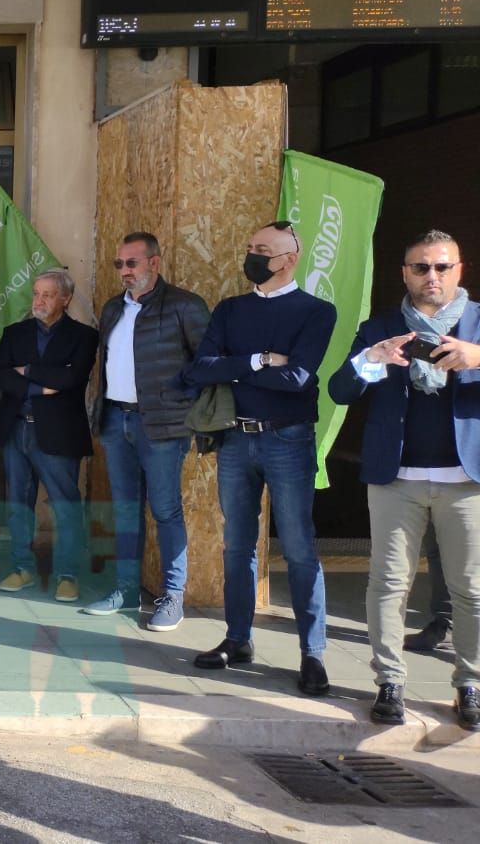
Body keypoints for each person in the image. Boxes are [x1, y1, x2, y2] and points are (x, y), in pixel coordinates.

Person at [327, 229, 480, 729]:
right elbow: (339, 389)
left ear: (459, 270)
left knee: (470, 590)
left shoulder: (478, 325)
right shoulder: (382, 326)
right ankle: (389, 680)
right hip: (396, 478)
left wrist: (478, 358)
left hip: (465, 478)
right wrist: (372, 359)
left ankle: (470, 683)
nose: (431, 276)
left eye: (441, 267)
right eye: (421, 267)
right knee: (388, 584)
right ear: (405, 273)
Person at [184, 220, 334, 697]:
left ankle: (313, 654)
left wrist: (235, 369)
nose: (251, 255)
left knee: (299, 548)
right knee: (237, 546)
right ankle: (238, 639)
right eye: (250, 246)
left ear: (289, 259)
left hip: (287, 440)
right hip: (235, 439)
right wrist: (260, 360)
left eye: (262, 249)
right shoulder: (230, 309)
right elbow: (198, 369)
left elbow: (299, 381)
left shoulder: (316, 311)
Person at [84, 232, 209, 629]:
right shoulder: (111, 309)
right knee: (125, 509)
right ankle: (125, 588)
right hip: (116, 420)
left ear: (155, 263)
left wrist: (179, 404)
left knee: (166, 510)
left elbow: (206, 364)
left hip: (162, 425)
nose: (124, 271)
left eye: (131, 263)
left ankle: (172, 596)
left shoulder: (184, 306)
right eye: (119, 264)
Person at [0, 270, 98, 604]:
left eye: (48, 295)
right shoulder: (15, 333)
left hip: (58, 432)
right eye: (36, 293)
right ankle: (23, 568)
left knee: (64, 506)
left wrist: (27, 371)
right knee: (18, 505)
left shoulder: (84, 336)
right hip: (16, 428)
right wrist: (43, 385)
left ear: (65, 298)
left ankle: (67, 575)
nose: (39, 300)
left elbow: (72, 379)